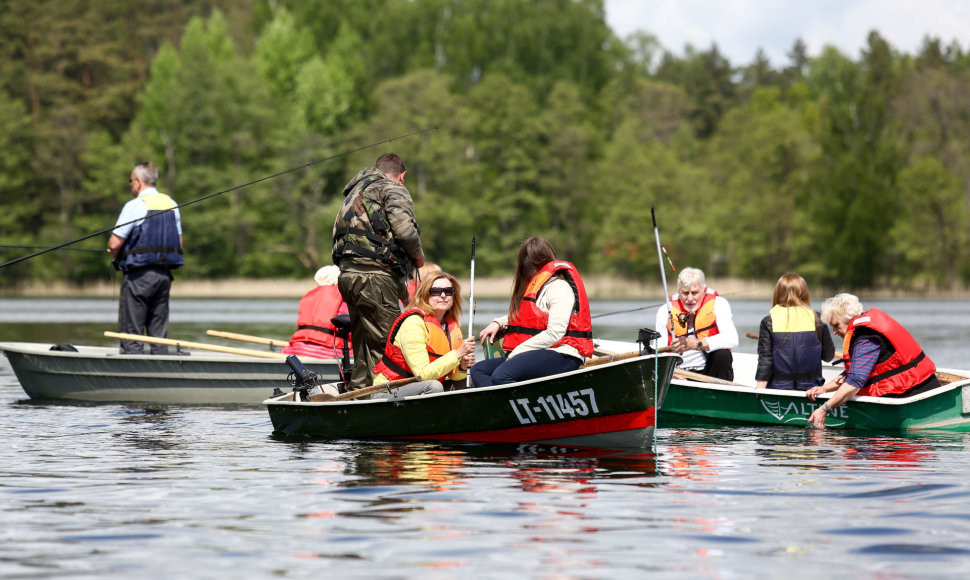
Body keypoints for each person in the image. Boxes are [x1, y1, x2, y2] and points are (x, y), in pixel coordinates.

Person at [331, 152, 425, 391]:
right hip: (374, 277)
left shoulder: (353, 194)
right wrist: (418, 256)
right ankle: (390, 399)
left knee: (363, 345)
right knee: (392, 342)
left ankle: (359, 396)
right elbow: (404, 231)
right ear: (402, 176)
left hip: (348, 276)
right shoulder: (393, 188)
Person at [471, 237, 593, 387]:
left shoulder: (559, 288)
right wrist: (499, 322)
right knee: (479, 370)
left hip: (563, 353)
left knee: (501, 376)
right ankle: (498, 407)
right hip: (534, 352)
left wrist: (517, 353)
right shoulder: (534, 287)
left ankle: (517, 407)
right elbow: (528, 318)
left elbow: (555, 333)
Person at [807, 293, 940, 428]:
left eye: (836, 325)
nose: (834, 331)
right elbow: (854, 372)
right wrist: (824, 389)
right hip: (919, 389)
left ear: (847, 318)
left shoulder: (865, 338)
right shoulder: (863, 331)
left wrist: (824, 409)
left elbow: (854, 382)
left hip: (918, 395)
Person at [107, 161, 183, 354]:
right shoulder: (171, 204)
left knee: (132, 334)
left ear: (139, 182)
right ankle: (160, 367)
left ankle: (132, 368)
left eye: (131, 181)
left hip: (138, 277)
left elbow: (114, 244)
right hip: (163, 277)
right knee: (159, 336)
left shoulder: (135, 205)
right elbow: (179, 244)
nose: (130, 184)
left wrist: (117, 254)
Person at [370, 272, 476, 398]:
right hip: (390, 391)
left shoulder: (449, 325)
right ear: (425, 295)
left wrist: (463, 367)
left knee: (472, 381)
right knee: (434, 386)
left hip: (425, 387)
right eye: (435, 291)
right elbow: (423, 375)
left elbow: (453, 375)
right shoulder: (413, 323)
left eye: (448, 291)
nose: (443, 295)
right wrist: (458, 354)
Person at [654, 267, 738, 381]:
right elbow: (658, 350)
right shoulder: (665, 311)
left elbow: (732, 338)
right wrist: (669, 372)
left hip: (709, 371)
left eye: (694, 293)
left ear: (705, 290)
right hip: (678, 373)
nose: (690, 298)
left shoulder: (719, 304)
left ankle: (721, 395)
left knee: (723, 355)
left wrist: (697, 343)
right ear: (678, 291)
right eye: (685, 293)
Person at [755, 272, 835, 390]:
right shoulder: (818, 319)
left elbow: (765, 361)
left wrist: (758, 391)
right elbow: (828, 356)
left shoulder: (768, 321)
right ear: (804, 293)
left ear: (778, 293)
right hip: (812, 390)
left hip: (779, 389)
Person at [281, 265, 351, 359]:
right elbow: (352, 330)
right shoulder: (342, 297)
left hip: (298, 347)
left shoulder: (309, 295)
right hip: (329, 350)